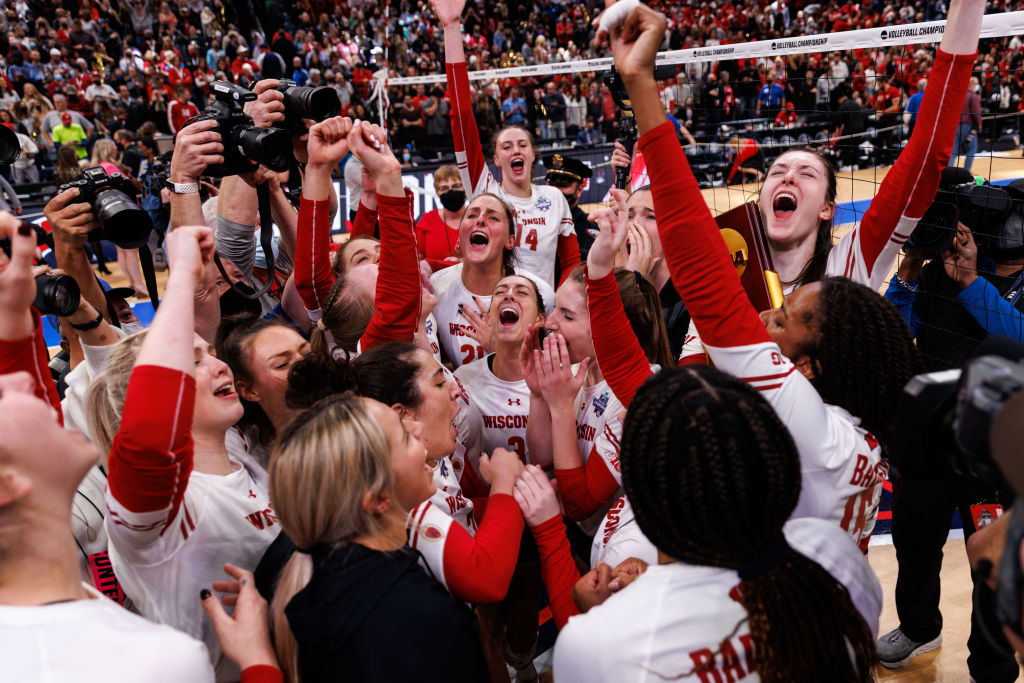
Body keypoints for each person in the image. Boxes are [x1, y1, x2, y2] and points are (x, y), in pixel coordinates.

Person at [677, 0, 982, 364]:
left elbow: (926, 156)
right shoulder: (727, 273)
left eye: (806, 174)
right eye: (777, 171)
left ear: (827, 209)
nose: (788, 174)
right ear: (760, 200)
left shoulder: (849, 263)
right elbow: (692, 373)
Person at [548, 367, 880, 682]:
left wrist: (606, 619)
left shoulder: (596, 642)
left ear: (643, 500)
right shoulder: (831, 553)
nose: (623, 417)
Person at [0, 215, 218, 682]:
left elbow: (28, 379)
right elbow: (151, 427)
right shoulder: (160, 660)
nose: (26, 384)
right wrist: (180, 277)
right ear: (9, 486)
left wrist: (17, 317)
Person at [87, 225, 280, 681]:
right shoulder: (158, 512)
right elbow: (151, 437)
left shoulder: (248, 456)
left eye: (211, 353)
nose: (217, 364)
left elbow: (202, 312)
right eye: (192, 360)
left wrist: (193, 247)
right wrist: (178, 276)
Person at [880, 171, 1023, 677]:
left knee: (992, 563)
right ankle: (920, 629)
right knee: (914, 546)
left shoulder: (995, 275)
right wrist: (910, 273)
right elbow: (896, 335)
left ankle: (994, 664)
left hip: (993, 450)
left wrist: (971, 281)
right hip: (929, 436)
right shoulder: (938, 264)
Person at [257, 392, 490, 682]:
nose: (417, 427)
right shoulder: (427, 621)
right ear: (379, 499)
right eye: (404, 437)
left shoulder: (301, 561)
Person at [434, 0, 581, 288]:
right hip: (496, 310)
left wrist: (558, 305)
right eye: (506, 146)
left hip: (543, 314)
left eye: (522, 145)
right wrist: (451, 28)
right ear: (497, 159)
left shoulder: (554, 199)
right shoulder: (485, 191)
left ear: (533, 154)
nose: (515, 149)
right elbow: (461, 116)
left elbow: (572, 262)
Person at [429, 192, 555, 368]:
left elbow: (550, 366)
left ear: (510, 241)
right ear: (460, 236)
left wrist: (498, 349)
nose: (480, 220)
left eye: (493, 218)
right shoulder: (436, 286)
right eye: (472, 215)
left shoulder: (540, 293)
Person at [543, 154, 597, 261]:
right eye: (551, 184)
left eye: (563, 185)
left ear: (579, 190)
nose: (555, 191)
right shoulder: (534, 219)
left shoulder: (587, 226)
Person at [415, 164, 465, 262]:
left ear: (464, 187)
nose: (450, 192)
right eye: (444, 188)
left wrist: (462, 262)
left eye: (455, 186)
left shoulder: (477, 219)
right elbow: (416, 261)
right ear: (437, 192)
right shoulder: (427, 220)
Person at [952, 82, 982, 172]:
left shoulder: (958, 95)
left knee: (954, 150)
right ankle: (967, 171)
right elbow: (976, 113)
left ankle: (948, 170)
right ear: (972, 85)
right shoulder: (973, 96)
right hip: (968, 126)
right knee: (971, 149)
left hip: (956, 125)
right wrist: (979, 124)